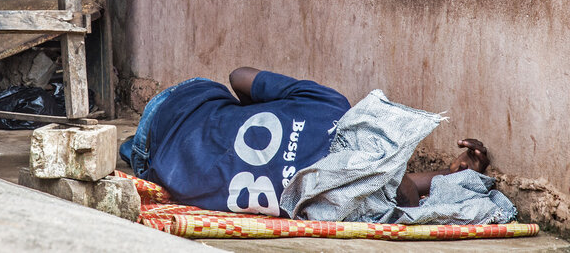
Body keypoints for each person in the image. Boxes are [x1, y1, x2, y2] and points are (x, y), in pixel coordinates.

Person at [120, 67, 491, 217]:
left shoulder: (329, 105)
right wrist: (446, 173)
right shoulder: (325, 204)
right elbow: (386, 184)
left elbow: (239, 76)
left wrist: (268, 113)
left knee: (227, 109)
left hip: (182, 103)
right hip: (154, 164)